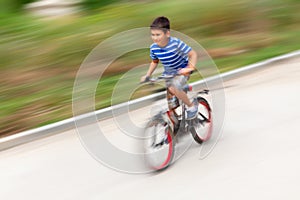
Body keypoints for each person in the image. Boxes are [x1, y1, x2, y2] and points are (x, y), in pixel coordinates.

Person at [141, 16, 198, 119]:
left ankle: (192, 106)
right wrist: (148, 75)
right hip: (169, 74)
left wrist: (190, 67)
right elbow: (154, 62)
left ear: (167, 33)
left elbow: (192, 54)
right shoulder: (153, 48)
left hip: (182, 70)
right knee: (170, 102)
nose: (155, 38)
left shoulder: (176, 43)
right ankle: (174, 127)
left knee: (174, 87)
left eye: (158, 34)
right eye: (152, 35)